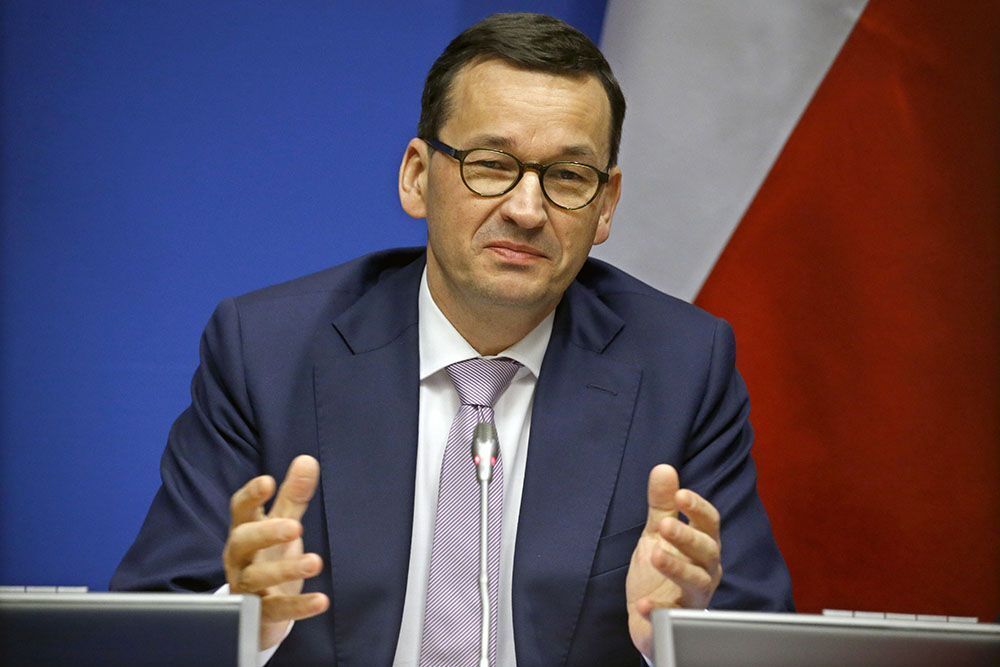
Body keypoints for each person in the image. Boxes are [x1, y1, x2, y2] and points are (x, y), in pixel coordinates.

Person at [111, 12, 793, 666]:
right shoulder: (267, 351)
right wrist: (243, 625)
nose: (527, 210)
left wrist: (674, 640)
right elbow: (147, 628)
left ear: (606, 205)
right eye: (491, 164)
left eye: (567, 176)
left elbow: (760, 635)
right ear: (417, 176)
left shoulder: (681, 367)